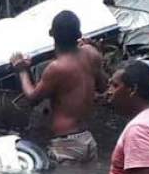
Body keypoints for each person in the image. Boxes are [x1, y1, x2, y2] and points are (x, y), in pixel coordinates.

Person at [10, 10, 106, 164]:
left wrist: (21, 70)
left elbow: (33, 98)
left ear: (51, 33)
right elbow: (103, 87)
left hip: (67, 144)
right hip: (87, 139)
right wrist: (98, 55)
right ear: (79, 34)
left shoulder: (56, 68)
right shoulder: (91, 54)